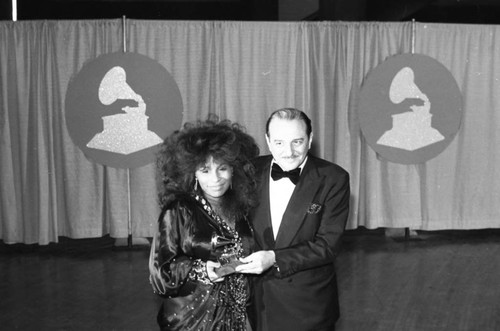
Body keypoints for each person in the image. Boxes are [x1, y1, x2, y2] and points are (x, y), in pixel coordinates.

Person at [236, 108, 350, 331]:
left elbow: (328, 245)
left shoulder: (333, 178)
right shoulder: (248, 171)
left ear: (310, 139)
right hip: (255, 302)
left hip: (307, 305)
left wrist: (274, 258)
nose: (288, 152)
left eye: (297, 141)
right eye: (279, 143)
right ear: (268, 141)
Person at [148, 115, 260, 331]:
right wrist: (200, 270)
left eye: (222, 168)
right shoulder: (178, 210)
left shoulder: (240, 207)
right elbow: (159, 274)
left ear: (234, 169)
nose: (215, 179)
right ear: (193, 173)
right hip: (194, 319)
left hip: (238, 317)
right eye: (205, 170)